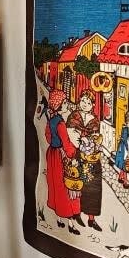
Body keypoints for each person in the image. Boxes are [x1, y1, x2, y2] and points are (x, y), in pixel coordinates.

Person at [42, 88, 81, 234]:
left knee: (54, 185)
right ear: (58, 105)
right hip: (60, 156)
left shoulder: (51, 121)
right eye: (64, 102)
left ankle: (58, 219)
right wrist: (74, 154)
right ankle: (71, 224)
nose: (66, 104)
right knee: (65, 187)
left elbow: (48, 137)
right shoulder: (60, 124)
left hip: (51, 154)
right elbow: (67, 144)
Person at [67, 90, 103, 230]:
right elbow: (71, 135)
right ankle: (75, 213)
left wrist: (93, 143)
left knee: (93, 187)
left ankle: (91, 218)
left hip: (91, 157)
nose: (85, 104)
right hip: (77, 154)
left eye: (88, 102)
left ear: (93, 104)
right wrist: (82, 140)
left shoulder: (95, 120)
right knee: (76, 184)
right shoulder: (74, 116)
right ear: (79, 101)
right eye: (83, 100)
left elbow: (96, 137)